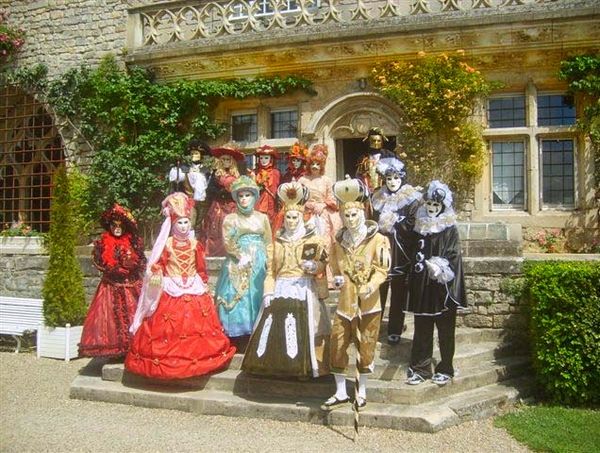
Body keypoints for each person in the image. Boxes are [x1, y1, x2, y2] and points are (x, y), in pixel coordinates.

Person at [125, 192, 235, 379]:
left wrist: (204, 283)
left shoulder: (195, 245)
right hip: (171, 287)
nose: (183, 227)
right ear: (173, 225)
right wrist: (157, 271)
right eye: (180, 223)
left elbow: (201, 267)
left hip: (193, 285)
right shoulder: (166, 244)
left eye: (186, 223)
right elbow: (159, 263)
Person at [242, 180, 331, 378]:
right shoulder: (278, 242)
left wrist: (314, 266)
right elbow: (271, 271)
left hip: (305, 287)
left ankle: (308, 369)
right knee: (275, 328)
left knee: (307, 328)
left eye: (295, 217)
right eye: (288, 217)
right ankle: (278, 368)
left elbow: (323, 263)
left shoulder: (313, 239)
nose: (291, 221)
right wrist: (268, 291)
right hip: (282, 288)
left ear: (301, 217)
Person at [322, 177, 391, 410]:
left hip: (368, 304)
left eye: (354, 215)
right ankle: (341, 391)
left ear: (362, 213)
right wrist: (337, 279)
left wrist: (371, 285)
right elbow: (333, 265)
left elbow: (382, 269)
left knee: (366, 346)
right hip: (345, 303)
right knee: (338, 343)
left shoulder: (378, 239)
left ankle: (361, 391)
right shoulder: (338, 242)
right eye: (346, 215)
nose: (350, 220)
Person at [405, 180, 467, 386]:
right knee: (422, 326)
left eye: (436, 206)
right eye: (429, 205)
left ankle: (446, 368)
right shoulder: (419, 228)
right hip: (423, 285)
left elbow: (453, 254)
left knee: (445, 328)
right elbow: (411, 252)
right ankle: (421, 368)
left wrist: (440, 267)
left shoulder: (449, 229)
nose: (431, 209)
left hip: (442, 287)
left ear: (442, 207)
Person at [79, 204, 145, 358]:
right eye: (113, 225)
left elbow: (141, 260)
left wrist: (132, 267)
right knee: (111, 321)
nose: (117, 228)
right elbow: (99, 261)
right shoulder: (103, 242)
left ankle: (134, 347)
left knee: (134, 314)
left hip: (131, 285)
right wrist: (113, 270)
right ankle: (117, 352)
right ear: (109, 226)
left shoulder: (132, 241)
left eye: (120, 226)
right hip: (111, 286)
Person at [214, 175, 273, 342]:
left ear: (254, 197)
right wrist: (241, 256)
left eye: (248, 195)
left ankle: (260, 331)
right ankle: (239, 334)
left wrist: (270, 263)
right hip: (237, 261)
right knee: (236, 292)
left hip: (260, 263)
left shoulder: (262, 218)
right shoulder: (230, 218)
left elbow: (268, 242)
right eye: (240, 196)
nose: (244, 199)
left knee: (258, 292)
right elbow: (228, 241)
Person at [371, 157, 422, 344]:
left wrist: (395, 223)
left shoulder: (410, 198)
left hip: (400, 251)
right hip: (381, 249)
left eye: (395, 178)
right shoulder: (378, 197)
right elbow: (373, 221)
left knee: (398, 292)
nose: (392, 182)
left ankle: (395, 329)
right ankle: (374, 328)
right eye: (389, 179)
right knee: (379, 289)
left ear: (402, 178)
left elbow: (413, 223)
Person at [200, 144, 244, 257]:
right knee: (217, 227)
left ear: (232, 161)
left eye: (228, 159)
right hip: (219, 205)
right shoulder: (216, 174)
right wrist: (220, 192)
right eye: (223, 159)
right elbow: (210, 190)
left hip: (233, 205)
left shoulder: (238, 175)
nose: (225, 162)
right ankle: (216, 251)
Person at [298, 144, 342, 256]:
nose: (315, 167)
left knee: (325, 238)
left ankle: (325, 267)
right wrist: (308, 204)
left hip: (323, 212)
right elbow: (298, 198)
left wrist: (323, 205)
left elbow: (332, 198)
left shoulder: (326, 180)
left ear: (321, 166)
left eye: (318, 164)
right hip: (306, 212)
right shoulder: (302, 180)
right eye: (312, 164)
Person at [355, 127, 396, 193]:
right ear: (369, 141)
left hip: (386, 191)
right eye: (373, 141)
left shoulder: (388, 156)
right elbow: (359, 176)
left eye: (378, 141)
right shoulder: (364, 158)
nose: (376, 143)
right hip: (368, 192)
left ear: (382, 141)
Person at [253, 145, 281, 224]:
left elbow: (278, 189)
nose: (263, 160)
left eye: (266, 158)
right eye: (261, 158)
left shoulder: (276, 172)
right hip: (258, 203)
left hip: (272, 204)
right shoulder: (255, 172)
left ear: (271, 159)